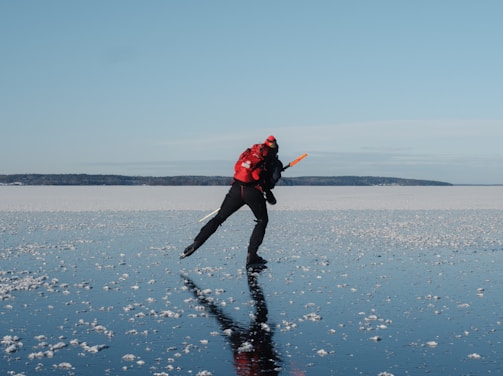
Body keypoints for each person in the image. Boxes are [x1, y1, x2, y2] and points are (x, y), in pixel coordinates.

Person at [181, 135, 283, 267]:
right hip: (252, 192)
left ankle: (196, 243)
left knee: (219, 218)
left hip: (236, 189)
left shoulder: (250, 152)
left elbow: (238, 168)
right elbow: (270, 183)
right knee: (262, 221)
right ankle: (252, 256)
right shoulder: (273, 162)